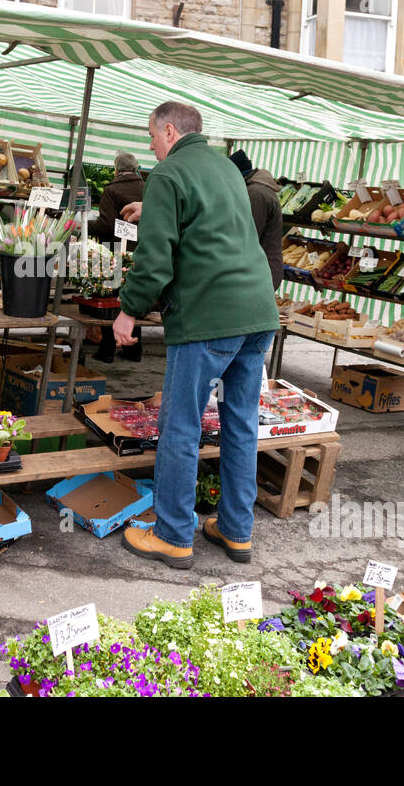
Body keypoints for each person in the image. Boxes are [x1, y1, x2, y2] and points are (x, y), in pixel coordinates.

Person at [113, 102, 280, 568]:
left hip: (208, 318)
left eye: (150, 135)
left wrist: (129, 311)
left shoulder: (167, 175)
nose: (149, 145)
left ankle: (172, 536)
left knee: (180, 428)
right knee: (241, 423)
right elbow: (216, 221)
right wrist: (158, 206)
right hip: (257, 313)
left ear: (169, 131)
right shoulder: (227, 169)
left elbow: (154, 261)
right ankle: (235, 531)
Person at [88, 152, 146, 363]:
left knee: (113, 300)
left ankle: (107, 350)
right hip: (141, 251)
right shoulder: (146, 188)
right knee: (133, 297)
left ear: (116, 169)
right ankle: (133, 349)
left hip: (116, 252)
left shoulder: (111, 190)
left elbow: (106, 225)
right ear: (136, 167)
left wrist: (85, 226)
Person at [229, 149, 285, 291]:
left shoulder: (256, 194)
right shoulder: (255, 190)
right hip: (260, 269)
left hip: (262, 272)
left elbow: (249, 236)